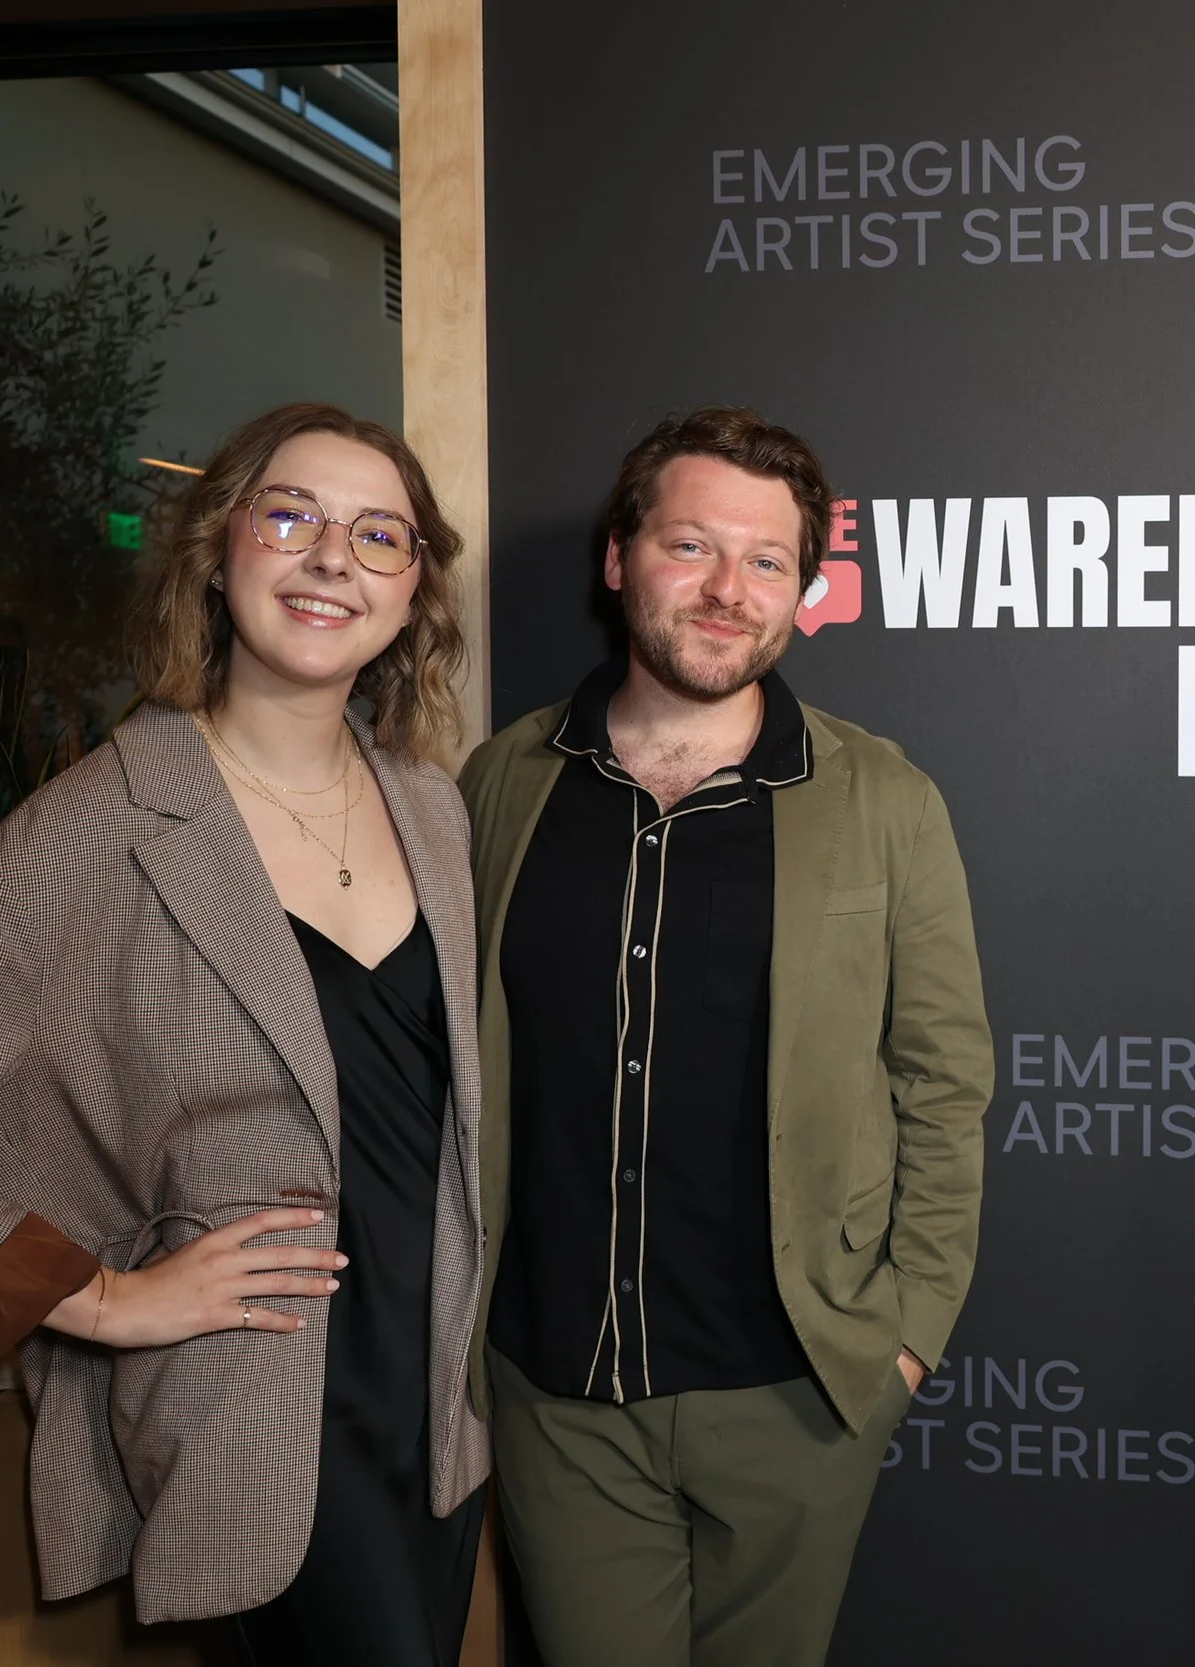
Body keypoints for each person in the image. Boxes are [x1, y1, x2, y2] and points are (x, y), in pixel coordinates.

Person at [0, 403, 489, 1664]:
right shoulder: (88, 829)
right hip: (255, 1414)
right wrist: (99, 1301)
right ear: (220, 553)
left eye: (379, 535)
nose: (334, 559)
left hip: (437, 1408)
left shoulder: (432, 807)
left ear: (414, 586)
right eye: (293, 517)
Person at [461, 405, 991, 1667]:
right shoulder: (503, 781)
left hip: (798, 1390)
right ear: (618, 557)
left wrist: (904, 1332)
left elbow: (944, 1078)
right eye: (690, 544)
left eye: (766, 561)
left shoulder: (882, 799)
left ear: (805, 590)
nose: (724, 589)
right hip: (558, 1392)